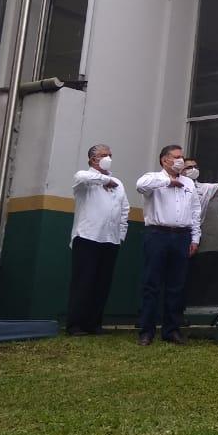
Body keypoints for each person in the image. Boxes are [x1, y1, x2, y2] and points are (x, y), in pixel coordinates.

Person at [135, 144, 201, 346]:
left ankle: (171, 330)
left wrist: (195, 238)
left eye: (182, 157)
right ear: (165, 160)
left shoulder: (189, 183)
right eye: (176, 157)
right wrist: (167, 181)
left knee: (177, 285)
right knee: (152, 283)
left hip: (182, 236)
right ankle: (146, 331)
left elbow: (195, 212)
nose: (181, 160)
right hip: (158, 234)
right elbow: (140, 185)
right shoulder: (153, 178)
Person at [66, 143, 131, 336]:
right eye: (104, 155)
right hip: (87, 237)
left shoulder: (117, 182)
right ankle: (75, 324)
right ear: (92, 159)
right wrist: (103, 180)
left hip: (111, 240)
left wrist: (121, 234)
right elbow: (81, 177)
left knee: (102, 283)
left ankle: (94, 324)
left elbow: (124, 209)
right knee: (83, 282)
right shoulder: (84, 180)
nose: (108, 158)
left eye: (110, 154)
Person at [182, 155, 218, 227]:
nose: (194, 169)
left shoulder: (205, 188)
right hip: (173, 229)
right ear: (181, 170)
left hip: (194, 230)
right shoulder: (174, 186)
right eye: (189, 167)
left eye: (196, 167)